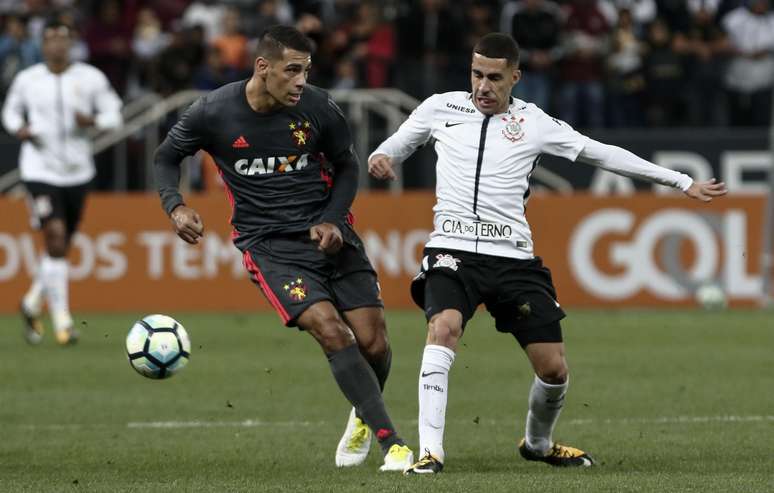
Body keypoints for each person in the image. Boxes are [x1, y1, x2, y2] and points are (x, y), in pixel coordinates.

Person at [368, 32, 727, 474]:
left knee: (554, 369)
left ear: (515, 77)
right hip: (452, 249)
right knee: (443, 328)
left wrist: (679, 180)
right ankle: (430, 453)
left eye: (495, 77)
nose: (483, 86)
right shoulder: (439, 107)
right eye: (477, 74)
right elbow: (399, 143)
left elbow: (601, 154)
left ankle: (538, 443)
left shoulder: (535, 123)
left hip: (513, 257)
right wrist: (382, 156)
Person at [153, 25, 413, 472]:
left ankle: (363, 412)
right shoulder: (213, 111)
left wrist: (332, 217)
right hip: (269, 246)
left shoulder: (318, 106)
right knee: (333, 332)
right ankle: (394, 443)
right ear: (263, 67)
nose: (300, 81)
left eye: (306, 71)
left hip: (332, 236)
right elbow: (165, 157)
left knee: (375, 343)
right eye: (292, 71)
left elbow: (347, 165)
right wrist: (176, 207)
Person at [2, 20, 122, 345]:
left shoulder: (90, 78)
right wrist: (20, 129)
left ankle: (29, 304)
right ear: (42, 45)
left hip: (78, 172)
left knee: (61, 247)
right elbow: (9, 113)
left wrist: (94, 120)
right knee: (54, 239)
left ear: (71, 44)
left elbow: (115, 114)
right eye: (50, 39)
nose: (56, 45)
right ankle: (63, 322)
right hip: (39, 170)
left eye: (62, 39)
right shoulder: (28, 80)